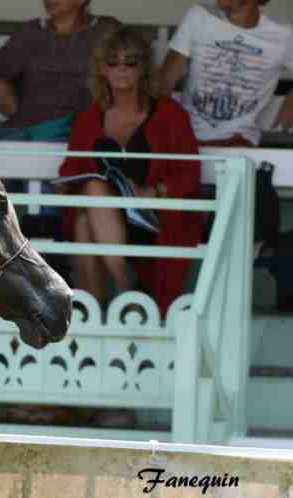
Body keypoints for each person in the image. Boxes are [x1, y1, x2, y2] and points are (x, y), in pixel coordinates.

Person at [59, 25, 203, 312]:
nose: (121, 70)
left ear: (143, 68)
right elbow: (71, 169)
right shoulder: (88, 119)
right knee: (90, 205)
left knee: (88, 215)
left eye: (130, 62)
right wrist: (66, 182)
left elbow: (189, 175)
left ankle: (94, 314)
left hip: (154, 216)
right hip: (105, 216)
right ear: (102, 69)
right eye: (112, 63)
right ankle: (127, 288)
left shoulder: (170, 114)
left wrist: (152, 191)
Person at [160, 0, 293, 147]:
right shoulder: (198, 17)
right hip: (185, 140)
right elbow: (164, 83)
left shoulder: (282, 36)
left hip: (238, 144)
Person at [0, 0, 120, 141]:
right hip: (24, 129)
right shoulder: (31, 32)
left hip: (78, 131)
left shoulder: (105, 31)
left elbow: (134, 68)